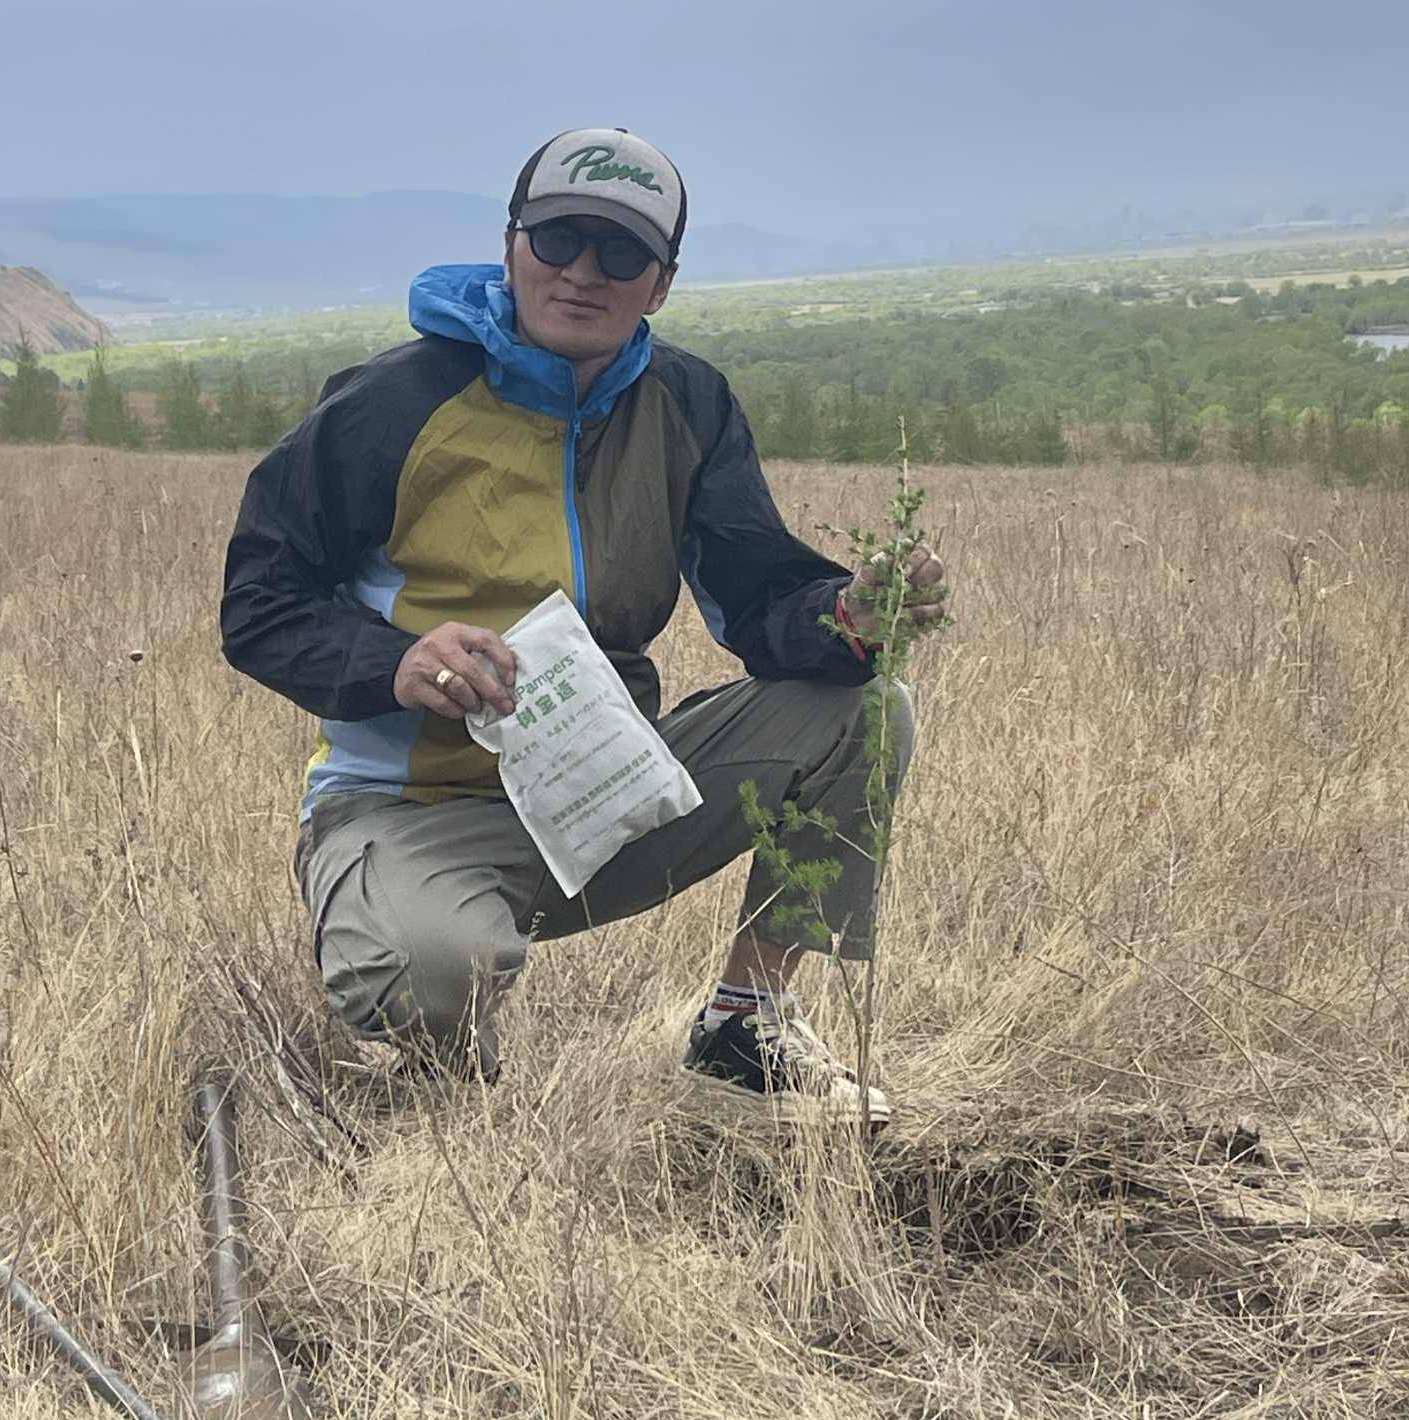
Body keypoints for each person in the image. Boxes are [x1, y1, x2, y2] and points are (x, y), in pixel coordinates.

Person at [221, 126, 948, 1124]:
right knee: (435, 975)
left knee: (867, 711)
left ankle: (747, 1023)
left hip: (607, 791)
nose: (581, 272)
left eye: (620, 253)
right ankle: (441, 1082)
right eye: (558, 238)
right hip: (411, 809)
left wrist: (847, 614)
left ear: (661, 282)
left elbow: (760, 600)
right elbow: (258, 598)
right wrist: (396, 661)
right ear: (511, 244)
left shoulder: (687, 402)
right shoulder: (393, 401)